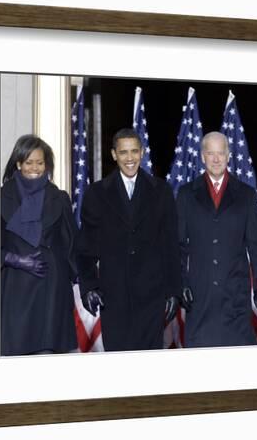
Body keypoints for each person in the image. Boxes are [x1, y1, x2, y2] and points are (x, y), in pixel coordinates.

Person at [76, 128, 182, 351]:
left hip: (152, 297)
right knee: (118, 369)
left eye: (134, 151)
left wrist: (173, 290)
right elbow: (86, 248)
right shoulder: (96, 194)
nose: (130, 158)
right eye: (123, 152)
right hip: (113, 297)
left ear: (142, 152)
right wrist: (88, 288)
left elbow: (171, 246)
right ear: (114, 154)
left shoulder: (161, 192)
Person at [176, 131, 257, 347]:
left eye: (221, 153)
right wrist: (180, 283)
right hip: (199, 296)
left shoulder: (246, 195)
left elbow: (255, 246)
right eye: (210, 153)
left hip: (235, 295)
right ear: (202, 156)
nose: (216, 159)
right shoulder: (186, 194)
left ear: (228, 156)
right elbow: (178, 245)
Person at [0, 134, 78, 355]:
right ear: (18, 163)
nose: (35, 167)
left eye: (40, 162)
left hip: (52, 291)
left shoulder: (60, 198)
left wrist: (73, 278)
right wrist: (12, 259)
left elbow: (72, 244)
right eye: (29, 162)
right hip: (15, 289)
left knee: (48, 362)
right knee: (15, 358)